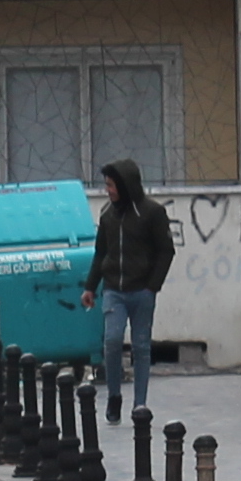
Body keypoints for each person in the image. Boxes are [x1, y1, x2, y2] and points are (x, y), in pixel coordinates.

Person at [81, 156, 175, 421]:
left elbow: (166, 251)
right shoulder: (107, 216)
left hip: (142, 291)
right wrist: (90, 287)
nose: (108, 191)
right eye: (106, 185)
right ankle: (114, 396)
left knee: (141, 346)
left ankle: (140, 403)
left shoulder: (152, 213)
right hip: (114, 290)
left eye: (111, 185)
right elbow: (101, 254)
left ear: (126, 186)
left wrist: (152, 287)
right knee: (111, 341)